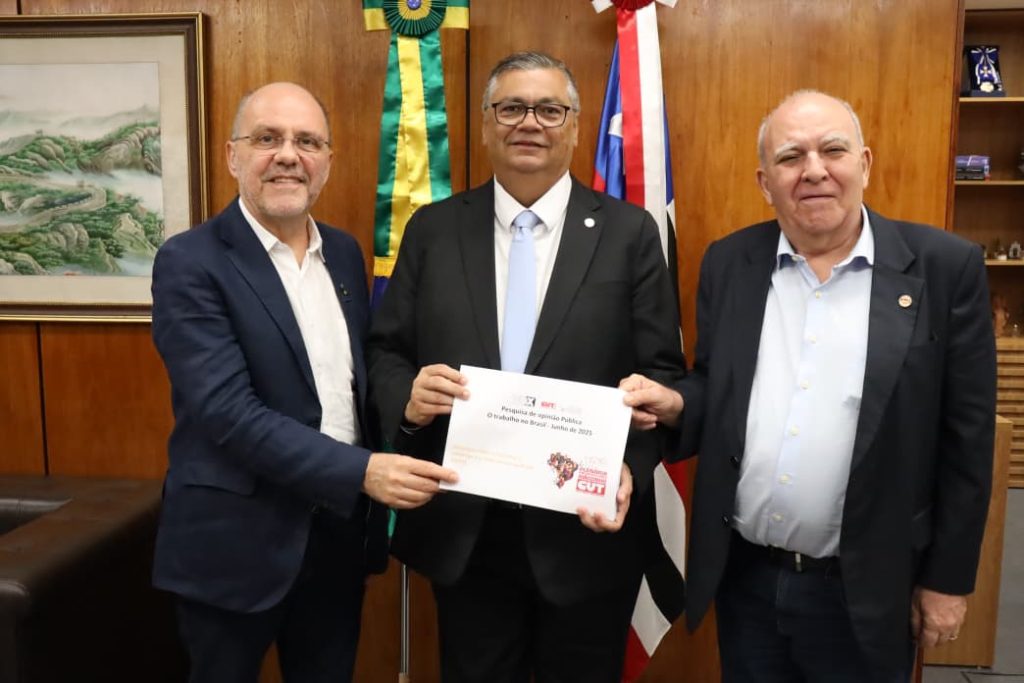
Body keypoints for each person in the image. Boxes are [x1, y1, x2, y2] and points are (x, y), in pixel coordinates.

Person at [621, 90, 996, 681]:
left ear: (864, 164)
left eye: (833, 150)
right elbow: (716, 386)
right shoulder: (730, 262)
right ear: (765, 182)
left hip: (867, 589)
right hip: (747, 581)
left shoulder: (944, 268)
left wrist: (947, 581)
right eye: (791, 157)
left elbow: (967, 441)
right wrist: (676, 403)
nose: (814, 170)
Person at [367, 52, 686, 682]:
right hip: (466, 535)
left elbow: (662, 375)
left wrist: (629, 466)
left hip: (586, 535)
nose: (529, 123)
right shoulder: (433, 230)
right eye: (511, 107)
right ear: (487, 125)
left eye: (549, 109)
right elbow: (385, 352)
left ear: (575, 126)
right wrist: (408, 397)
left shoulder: (629, 233)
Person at [150, 81, 457, 683]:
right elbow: (228, 412)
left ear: (328, 162)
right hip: (233, 548)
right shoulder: (190, 262)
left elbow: (350, 386)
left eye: (307, 142)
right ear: (233, 156)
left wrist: (411, 405)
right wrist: (364, 471)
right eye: (268, 138)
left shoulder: (342, 253)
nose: (288, 155)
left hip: (337, 537)